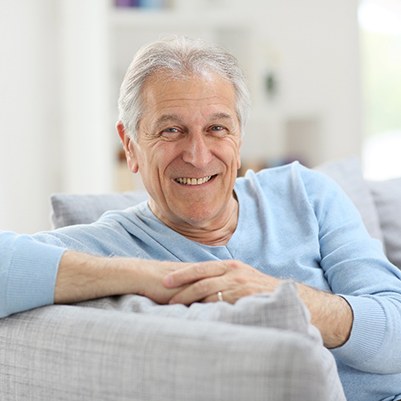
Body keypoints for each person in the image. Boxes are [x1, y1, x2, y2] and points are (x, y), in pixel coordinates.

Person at [1, 36, 401, 401]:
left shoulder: (306, 192)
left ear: (239, 137)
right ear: (131, 146)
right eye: (171, 130)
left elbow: (395, 327)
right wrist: (152, 277)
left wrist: (281, 296)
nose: (197, 154)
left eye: (216, 128)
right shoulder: (104, 246)